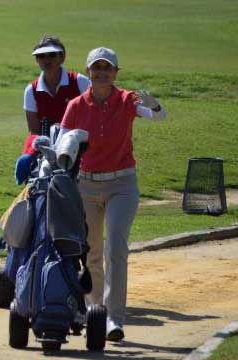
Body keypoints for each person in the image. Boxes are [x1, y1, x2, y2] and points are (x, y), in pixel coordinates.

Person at [59, 47, 167, 341]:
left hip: (122, 184)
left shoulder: (127, 99)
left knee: (115, 249)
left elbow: (158, 117)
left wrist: (155, 106)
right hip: (87, 186)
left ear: (116, 73)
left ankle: (114, 319)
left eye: (107, 68)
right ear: (88, 72)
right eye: (97, 68)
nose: (102, 72)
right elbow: (62, 142)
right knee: (92, 252)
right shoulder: (76, 105)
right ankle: (97, 314)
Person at [23, 35, 89, 135]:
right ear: (37, 60)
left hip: (79, 145)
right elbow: (34, 131)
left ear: (62, 57)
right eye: (41, 56)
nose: (47, 59)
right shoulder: (31, 90)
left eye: (52, 54)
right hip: (46, 147)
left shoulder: (80, 81)